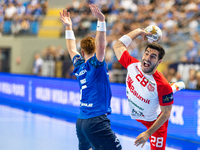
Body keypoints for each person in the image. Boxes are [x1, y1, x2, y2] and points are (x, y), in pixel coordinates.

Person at [59, 4, 122, 150]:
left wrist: (69, 27)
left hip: (81, 121)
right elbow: (101, 47)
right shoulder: (96, 65)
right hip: (96, 120)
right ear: (94, 49)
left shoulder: (79, 65)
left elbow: (71, 48)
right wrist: (101, 21)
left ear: (82, 51)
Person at [113, 28, 184, 150]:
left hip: (154, 120)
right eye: (146, 53)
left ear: (159, 61)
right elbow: (118, 46)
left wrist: (148, 133)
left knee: (165, 90)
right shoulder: (132, 65)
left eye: (153, 56)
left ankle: (173, 87)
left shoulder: (162, 85)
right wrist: (138, 31)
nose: (147, 58)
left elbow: (166, 113)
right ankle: (174, 87)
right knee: (159, 92)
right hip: (139, 112)